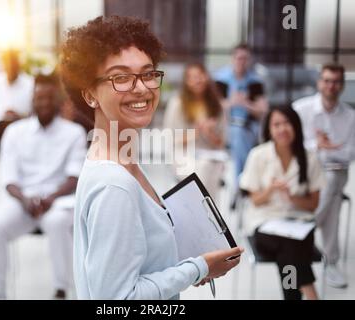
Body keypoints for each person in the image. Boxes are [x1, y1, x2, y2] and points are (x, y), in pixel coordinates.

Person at [61, 15, 243, 300]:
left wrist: (178, 267)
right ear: (90, 95)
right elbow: (117, 302)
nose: (142, 88)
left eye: (148, 73)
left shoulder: (121, 162)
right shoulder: (115, 185)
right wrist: (198, 267)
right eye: (120, 77)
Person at [0, 74, 87, 300]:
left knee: (57, 222)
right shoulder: (15, 132)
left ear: (58, 100)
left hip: (58, 202)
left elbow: (73, 177)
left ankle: (62, 289)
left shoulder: (74, 133)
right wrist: (25, 200)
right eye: (39, 98)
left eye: (49, 98)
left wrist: (50, 198)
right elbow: (8, 179)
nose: (44, 103)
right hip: (23, 201)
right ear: (32, 99)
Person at [240, 106, 324, 300]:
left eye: (287, 123)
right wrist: (270, 190)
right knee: (291, 245)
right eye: (277, 124)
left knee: (289, 251)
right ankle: (310, 293)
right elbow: (255, 200)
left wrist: (292, 197)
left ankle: (295, 297)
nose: (282, 129)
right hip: (264, 224)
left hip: (298, 223)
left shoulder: (309, 158)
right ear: (269, 129)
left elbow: (313, 204)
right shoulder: (258, 155)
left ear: (296, 126)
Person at [293, 63, 355, 288]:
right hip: (305, 172)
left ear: (342, 85)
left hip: (335, 172)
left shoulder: (350, 116)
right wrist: (317, 146)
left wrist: (328, 148)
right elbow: (291, 145)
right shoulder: (301, 109)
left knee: (331, 183)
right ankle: (330, 261)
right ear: (319, 83)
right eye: (327, 80)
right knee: (333, 203)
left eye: (336, 81)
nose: (331, 86)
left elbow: (351, 153)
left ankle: (305, 229)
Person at [215, 44, 268, 208]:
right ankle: (242, 182)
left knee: (239, 136)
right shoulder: (221, 79)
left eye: (245, 59)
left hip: (248, 128)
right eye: (239, 58)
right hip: (226, 127)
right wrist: (231, 102)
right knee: (237, 135)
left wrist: (245, 104)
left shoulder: (255, 82)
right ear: (232, 59)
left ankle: (239, 184)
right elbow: (214, 108)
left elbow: (263, 111)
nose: (242, 62)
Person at [164, 62, 226, 201]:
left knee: (208, 167)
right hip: (184, 154)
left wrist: (209, 132)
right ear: (186, 81)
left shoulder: (217, 104)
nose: (197, 80)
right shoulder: (177, 103)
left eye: (200, 75)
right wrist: (197, 131)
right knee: (201, 169)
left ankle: (208, 211)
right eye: (192, 77)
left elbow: (221, 143)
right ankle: (200, 209)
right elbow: (171, 138)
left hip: (210, 155)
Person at [0, 49, 34, 152]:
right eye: (7, 63)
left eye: (13, 64)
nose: (10, 67)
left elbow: (35, 114)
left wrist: (19, 116)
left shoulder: (31, 83)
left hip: (22, 135)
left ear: (18, 64)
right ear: (3, 64)